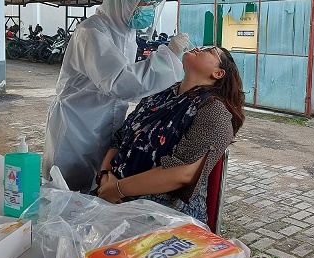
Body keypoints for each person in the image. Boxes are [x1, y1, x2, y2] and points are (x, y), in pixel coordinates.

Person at [42, 0, 190, 192]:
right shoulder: (92, 32)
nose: (150, 9)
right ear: (125, 0)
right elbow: (120, 82)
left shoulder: (126, 32)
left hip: (104, 123)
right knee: (65, 192)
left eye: (153, 3)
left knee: (97, 191)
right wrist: (167, 57)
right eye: (145, 3)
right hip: (77, 125)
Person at [96, 45, 245, 224]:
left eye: (210, 50)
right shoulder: (158, 96)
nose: (200, 48)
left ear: (218, 73)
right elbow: (120, 137)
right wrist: (105, 176)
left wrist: (118, 189)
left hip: (165, 218)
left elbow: (184, 173)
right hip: (114, 198)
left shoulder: (214, 111)